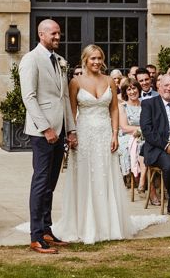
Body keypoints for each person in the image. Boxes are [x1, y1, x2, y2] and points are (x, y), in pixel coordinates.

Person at [53, 45, 133, 243]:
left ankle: (108, 225)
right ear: (85, 60)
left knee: (106, 176)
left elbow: (114, 109)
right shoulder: (75, 82)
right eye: (92, 59)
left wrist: (115, 134)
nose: (96, 62)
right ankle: (83, 224)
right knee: (85, 177)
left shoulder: (109, 81)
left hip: (105, 133)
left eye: (99, 58)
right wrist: (71, 134)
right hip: (84, 134)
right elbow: (71, 111)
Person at [19, 19, 76, 255]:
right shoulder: (30, 59)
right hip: (43, 132)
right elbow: (29, 97)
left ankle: (46, 229)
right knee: (41, 182)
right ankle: (35, 236)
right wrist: (46, 128)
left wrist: (71, 129)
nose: (57, 37)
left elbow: (63, 99)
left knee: (51, 183)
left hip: (60, 129)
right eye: (53, 33)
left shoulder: (60, 61)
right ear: (41, 34)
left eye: (59, 33)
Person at [139, 74, 170, 214]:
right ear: (159, 86)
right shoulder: (149, 104)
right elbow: (147, 130)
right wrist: (166, 146)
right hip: (159, 148)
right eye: (166, 85)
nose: (169, 89)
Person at [117, 77, 144, 188]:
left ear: (138, 89)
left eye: (134, 88)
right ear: (125, 92)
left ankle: (144, 176)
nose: (132, 92)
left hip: (144, 135)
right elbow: (124, 127)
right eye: (129, 89)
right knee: (134, 146)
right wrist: (142, 129)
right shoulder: (122, 106)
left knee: (146, 146)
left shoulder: (145, 104)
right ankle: (136, 176)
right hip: (127, 136)